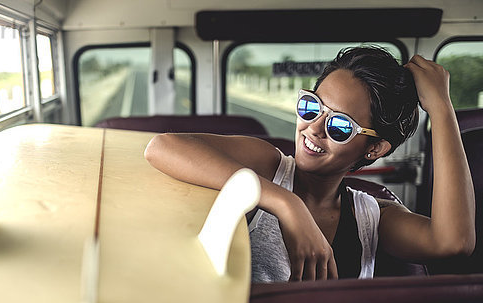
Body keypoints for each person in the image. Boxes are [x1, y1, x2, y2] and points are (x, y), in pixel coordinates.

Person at [144, 46, 476, 282]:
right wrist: (286, 203)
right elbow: (163, 147)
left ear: (374, 148)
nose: (314, 127)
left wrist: (443, 110)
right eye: (311, 106)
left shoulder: (372, 219)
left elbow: (454, 243)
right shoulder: (268, 165)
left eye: (340, 126)